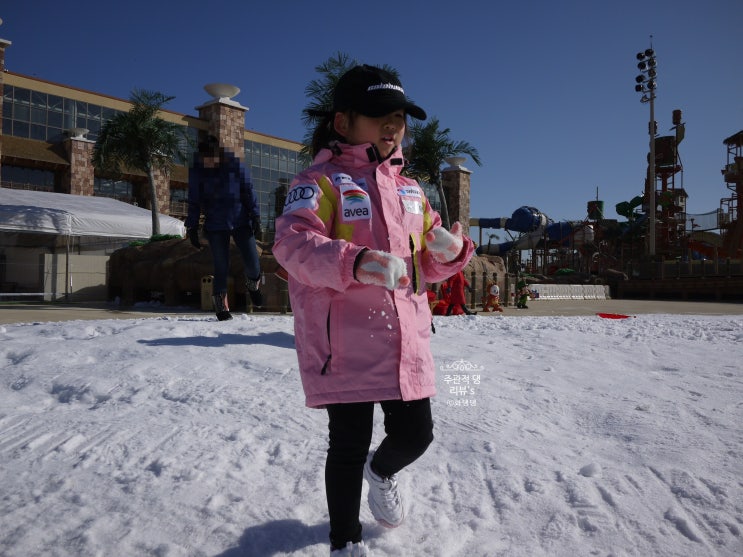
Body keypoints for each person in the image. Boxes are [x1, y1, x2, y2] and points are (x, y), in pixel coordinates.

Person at [273, 64, 474, 556]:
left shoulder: (411, 190)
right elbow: (292, 245)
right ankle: (345, 542)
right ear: (343, 123)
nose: (393, 125)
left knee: (417, 435)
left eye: (399, 116)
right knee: (348, 445)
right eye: (379, 114)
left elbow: (423, 264)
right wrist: (356, 262)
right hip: (343, 342)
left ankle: (382, 472)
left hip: (404, 339)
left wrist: (448, 253)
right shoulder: (319, 183)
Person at [185, 135, 263, 321]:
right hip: (215, 225)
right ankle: (221, 307)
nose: (209, 163)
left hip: (241, 220)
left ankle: (253, 285)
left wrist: (255, 215)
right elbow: (194, 201)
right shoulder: (197, 172)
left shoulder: (234, 165)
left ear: (218, 154)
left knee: (252, 262)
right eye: (205, 159)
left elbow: (248, 190)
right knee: (221, 266)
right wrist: (192, 227)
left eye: (211, 158)